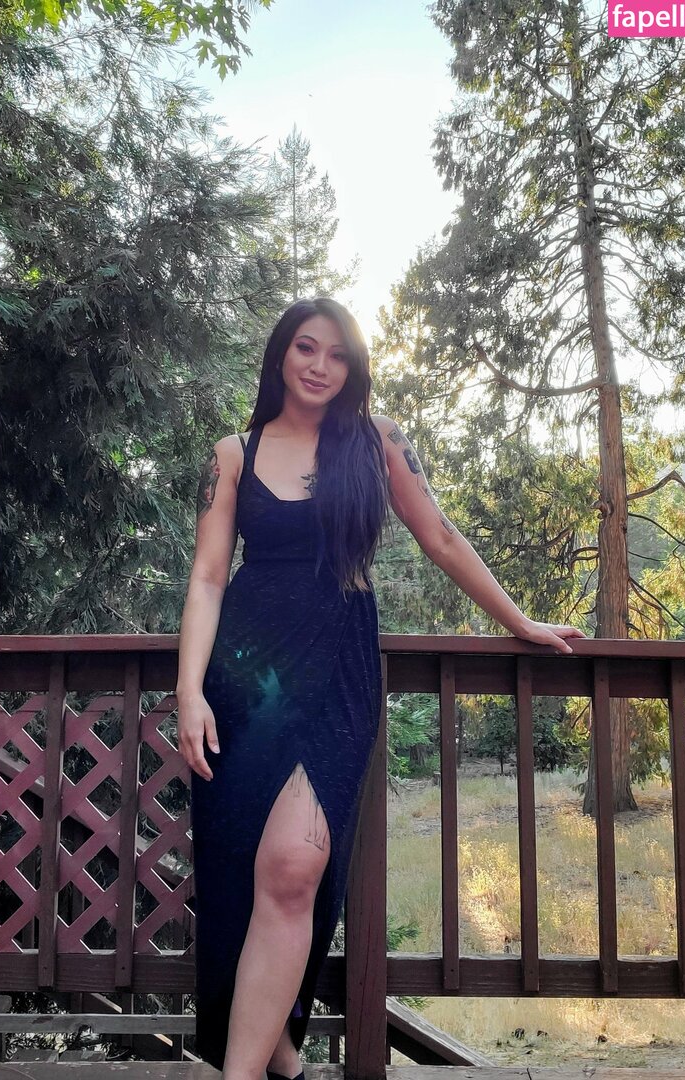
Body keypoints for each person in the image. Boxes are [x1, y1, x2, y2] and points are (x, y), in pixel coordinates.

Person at [175, 297, 584, 1080]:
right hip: (245, 679)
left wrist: (521, 620)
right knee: (239, 876)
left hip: (338, 672)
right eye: (306, 347)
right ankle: (280, 1062)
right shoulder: (234, 453)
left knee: (294, 865)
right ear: (281, 354)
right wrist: (189, 690)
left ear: (353, 367)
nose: (320, 366)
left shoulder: (376, 441)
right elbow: (207, 577)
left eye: (338, 354)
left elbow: (441, 536)